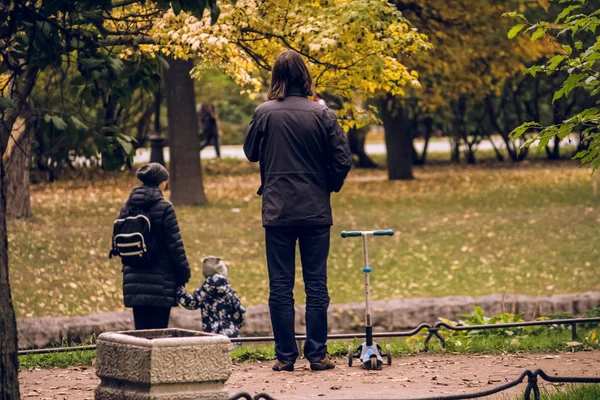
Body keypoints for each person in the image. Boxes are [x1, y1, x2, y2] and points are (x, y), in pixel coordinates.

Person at [243, 50, 352, 372]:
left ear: (276, 78)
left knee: (280, 285)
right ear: (305, 76)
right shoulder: (323, 114)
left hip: (277, 209)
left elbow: (250, 153)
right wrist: (326, 185)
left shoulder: (264, 113)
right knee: (316, 283)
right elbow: (343, 160)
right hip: (315, 209)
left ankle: (285, 357)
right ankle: (317, 354)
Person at [115, 163, 191, 330]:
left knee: (141, 335)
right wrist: (184, 274)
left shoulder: (127, 206)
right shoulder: (165, 207)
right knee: (158, 335)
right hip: (161, 279)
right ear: (160, 182)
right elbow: (175, 245)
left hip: (133, 278)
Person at [176, 256, 245, 338]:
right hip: (230, 334)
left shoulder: (203, 291)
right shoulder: (230, 292)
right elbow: (239, 312)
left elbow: (191, 303)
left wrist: (179, 290)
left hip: (211, 334)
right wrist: (237, 324)